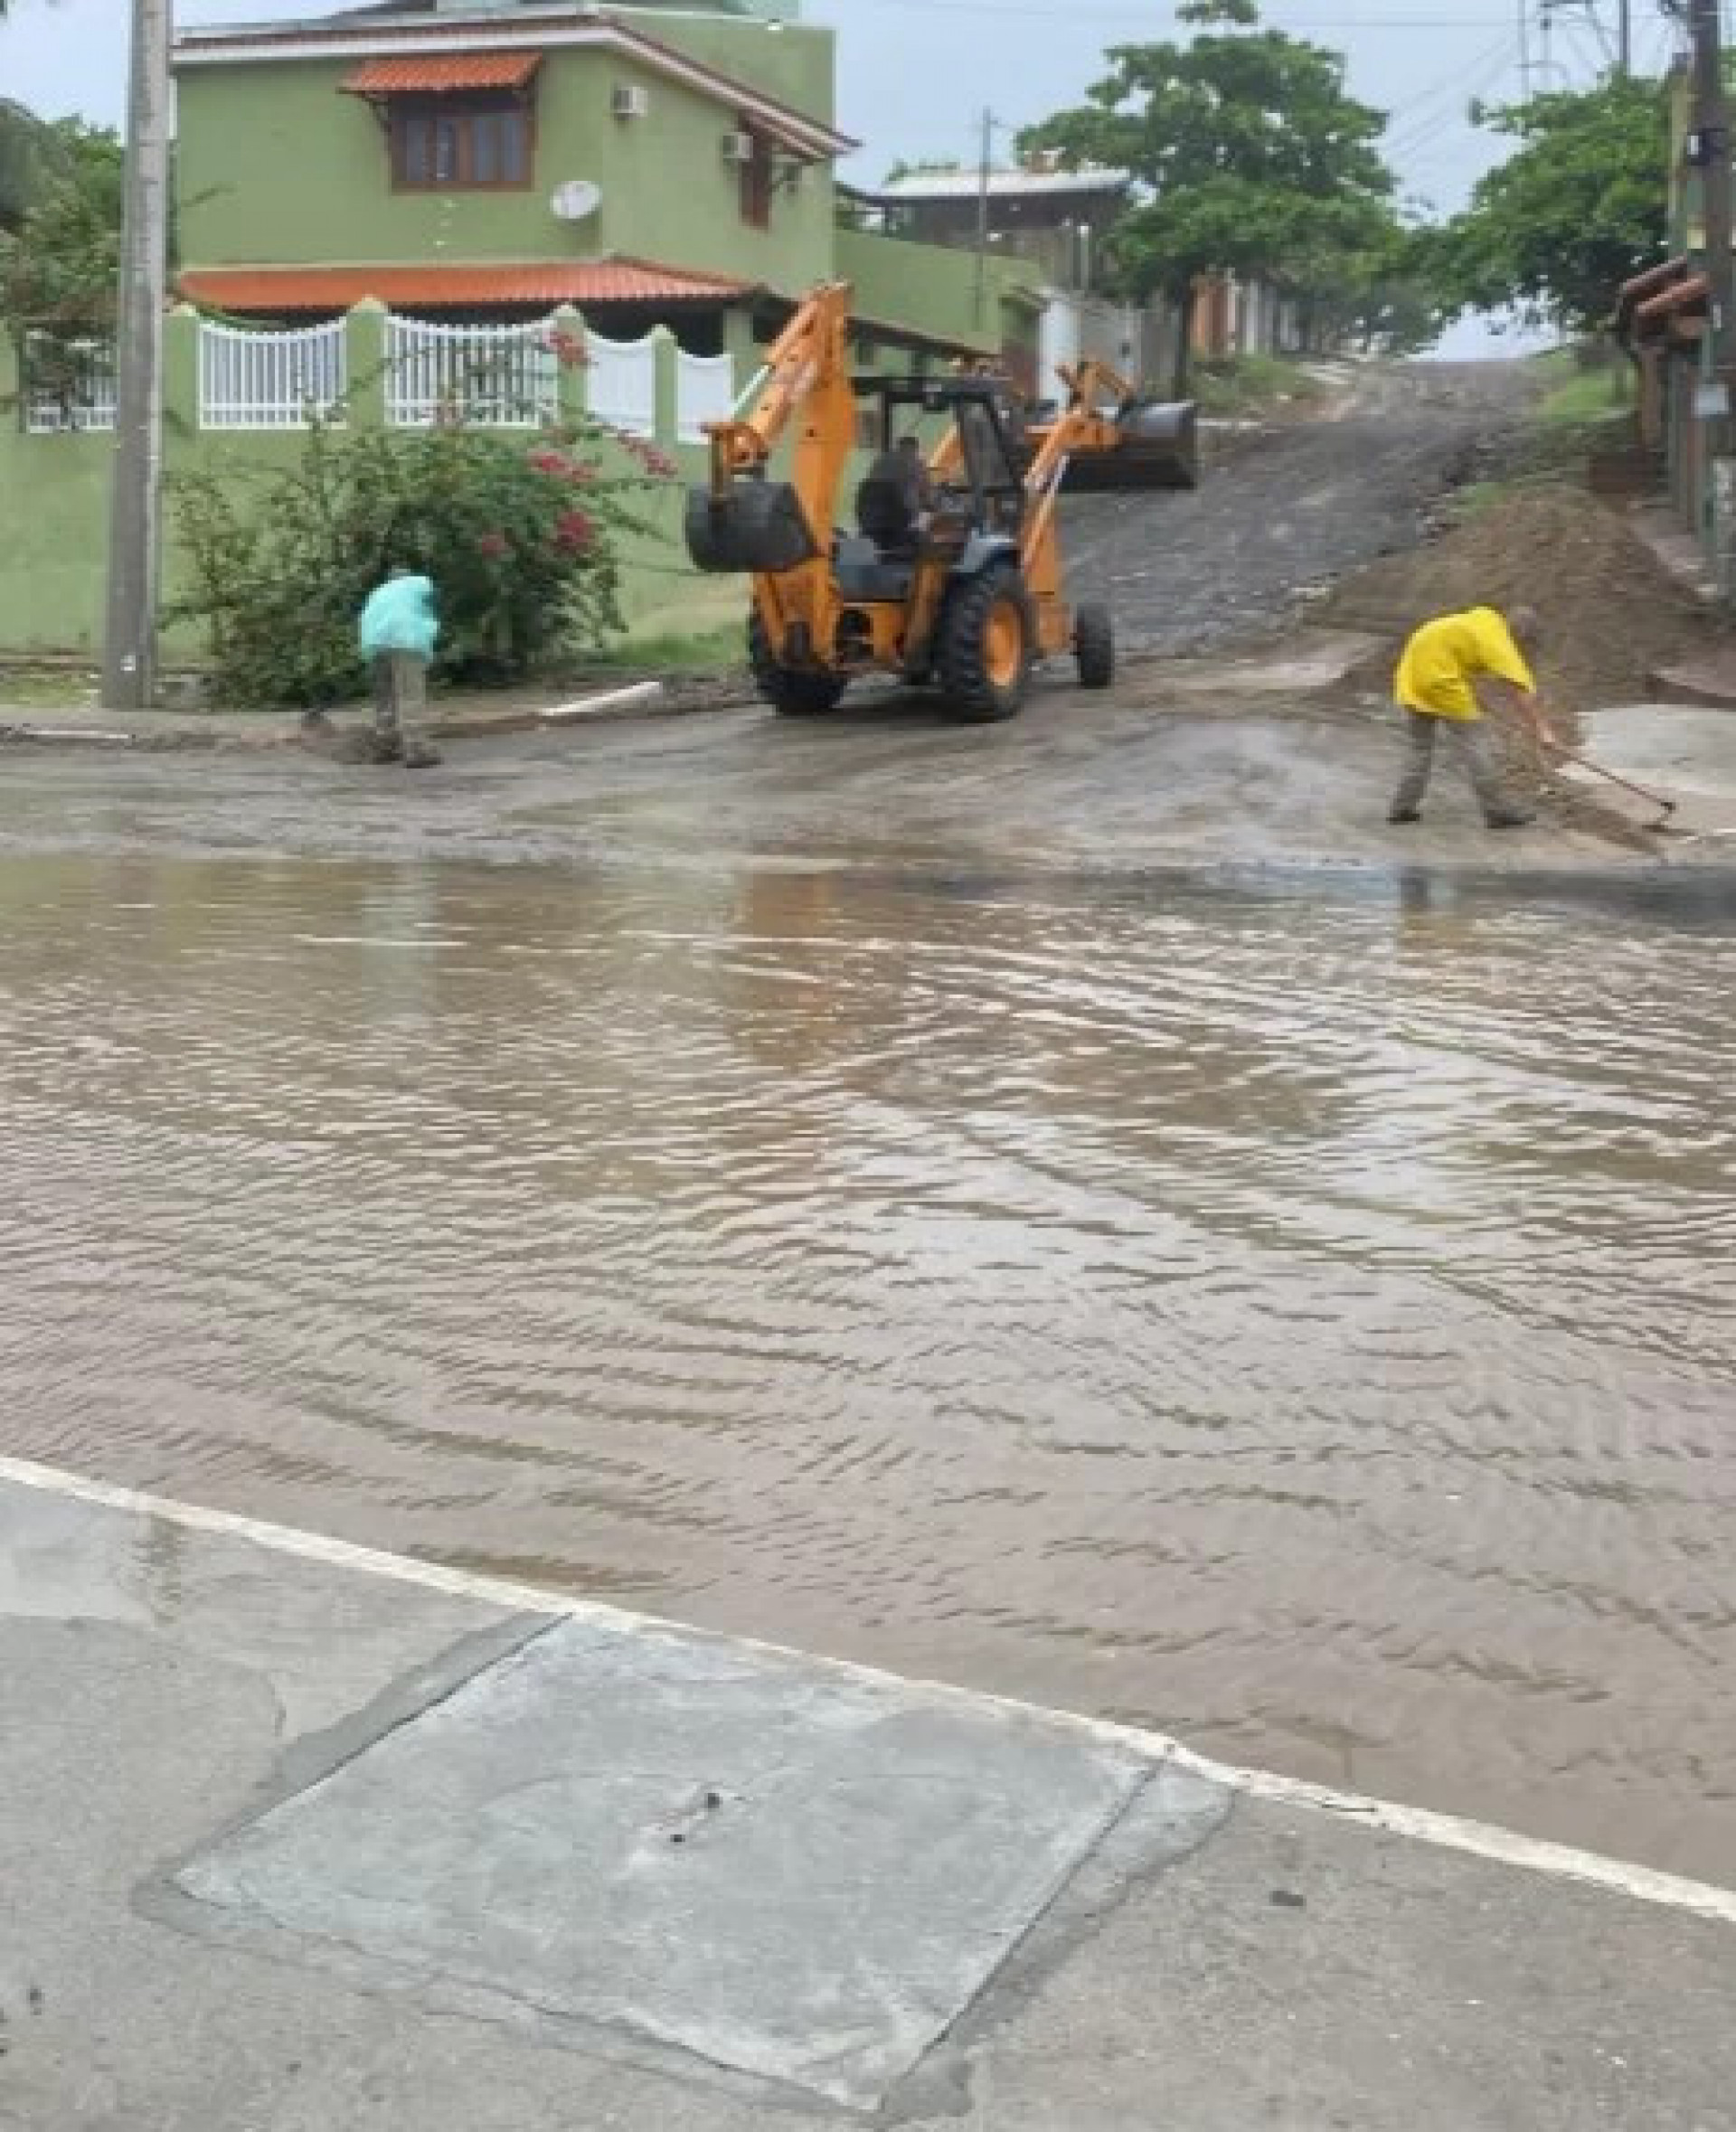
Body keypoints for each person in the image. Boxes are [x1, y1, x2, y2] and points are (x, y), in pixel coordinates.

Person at [1389, 602, 1550, 829]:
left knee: (1420, 747)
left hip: (1414, 668)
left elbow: (1460, 654)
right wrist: (1543, 730)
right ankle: (1497, 811)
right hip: (1440, 677)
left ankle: (1401, 807)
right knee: (1477, 743)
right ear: (1520, 633)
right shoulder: (1500, 642)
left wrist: (1474, 695)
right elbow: (1520, 692)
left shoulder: (1484, 620)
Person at [356, 566, 441, 769]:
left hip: (375, 644)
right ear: (407, 577)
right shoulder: (419, 583)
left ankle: (386, 745)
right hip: (405, 639)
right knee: (409, 694)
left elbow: (364, 619)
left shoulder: (378, 592)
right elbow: (433, 603)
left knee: (385, 697)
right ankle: (416, 750)